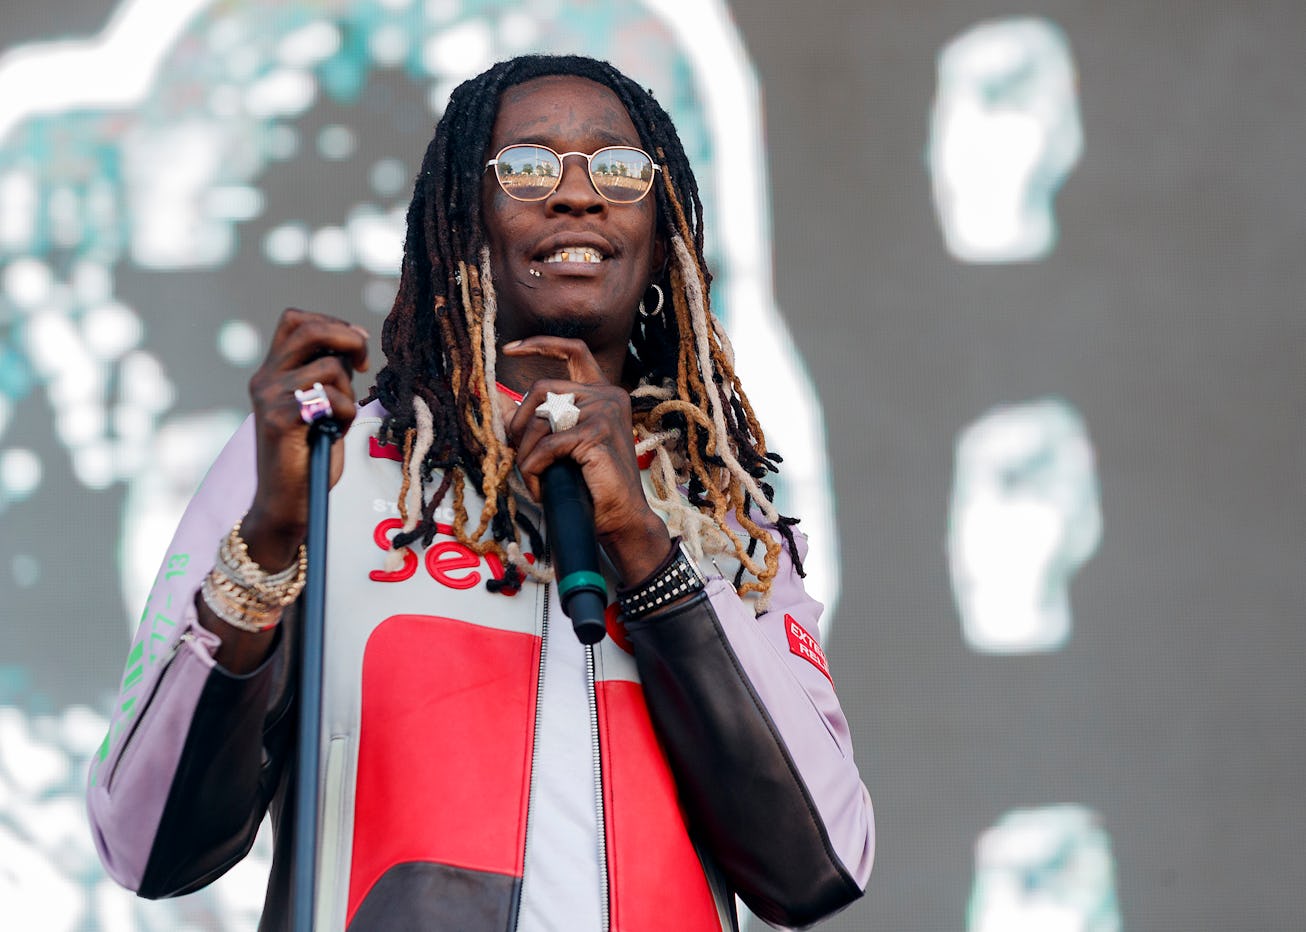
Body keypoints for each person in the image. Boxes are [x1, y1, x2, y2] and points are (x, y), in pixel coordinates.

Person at [87, 54, 874, 931]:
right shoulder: (328, 456)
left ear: (664, 231)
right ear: (464, 219)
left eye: (616, 168)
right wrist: (271, 543)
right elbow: (148, 844)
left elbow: (819, 864)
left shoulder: (722, 514)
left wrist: (648, 549)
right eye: (528, 167)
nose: (577, 194)